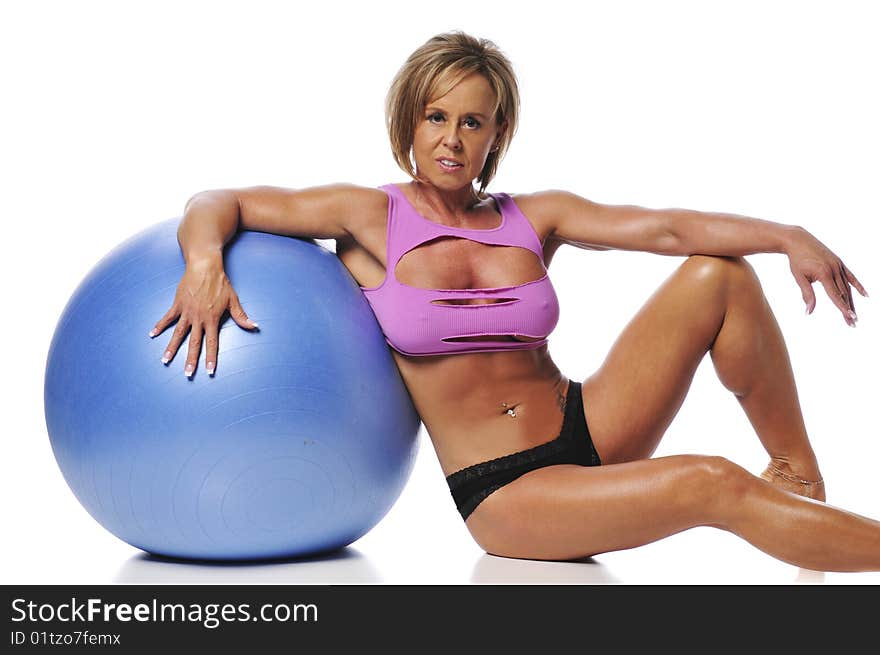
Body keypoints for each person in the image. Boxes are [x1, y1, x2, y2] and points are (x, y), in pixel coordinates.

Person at [149, 31, 878, 571]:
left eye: (473, 121)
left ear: (496, 133)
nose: (452, 139)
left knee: (722, 276)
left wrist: (788, 234)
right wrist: (204, 261)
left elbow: (666, 227)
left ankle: (797, 476)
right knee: (708, 480)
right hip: (508, 491)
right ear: (409, 120)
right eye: (437, 117)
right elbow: (218, 200)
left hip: (589, 426)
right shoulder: (367, 214)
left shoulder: (533, 215)